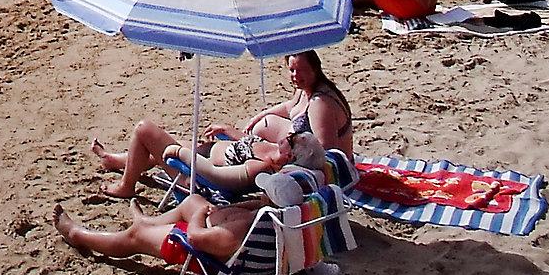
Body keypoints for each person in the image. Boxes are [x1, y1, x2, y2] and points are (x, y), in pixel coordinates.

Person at [86, 125, 324, 203]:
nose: (290, 133)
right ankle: (115, 160)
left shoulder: (260, 168)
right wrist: (228, 130)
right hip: (203, 152)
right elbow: (246, 140)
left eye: (293, 138)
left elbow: (217, 177)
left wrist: (182, 154)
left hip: (195, 174)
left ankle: (126, 186)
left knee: (144, 129)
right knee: (156, 142)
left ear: (290, 157)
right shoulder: (273, 149)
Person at [52, 187, 271, 270]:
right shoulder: (284, 217)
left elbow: (195, 238)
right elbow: (245, 209)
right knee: (192, 200)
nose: (262, 192)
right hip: (221, 235)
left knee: (136, 237)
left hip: (204, 256)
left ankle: (77, 234)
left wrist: (199, 215)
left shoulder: (237, 231)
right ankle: (147, 222)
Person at [206, 49, 356, 159]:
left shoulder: (320, 104)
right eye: (292, 70)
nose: (296, 76)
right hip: (299, 146)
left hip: (321, 165)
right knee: (264, 123)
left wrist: (277, 151)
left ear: (315, 69)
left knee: (256, 150)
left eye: (301, 70)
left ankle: (235, 141)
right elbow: (289, 107)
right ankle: (243, 140)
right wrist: (259, 117)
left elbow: (326, 152)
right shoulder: (306, 89)